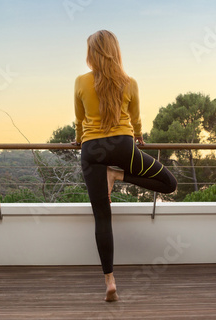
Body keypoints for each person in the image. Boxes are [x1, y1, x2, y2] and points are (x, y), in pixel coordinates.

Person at [72, 30, 177, 302]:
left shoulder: (81, 82)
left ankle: (109, 282)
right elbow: (136, 119)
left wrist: (77, 141)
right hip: (124, 147)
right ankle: (118, 174)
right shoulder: (129, 82)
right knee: (169, 184)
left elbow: (80, 121)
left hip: (91, 150)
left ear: (91, 53)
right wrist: (140, 136)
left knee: (102, 216)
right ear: (115, 51)